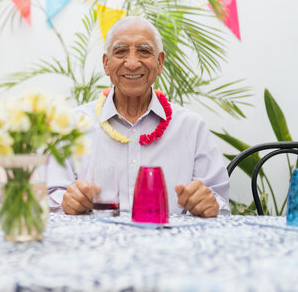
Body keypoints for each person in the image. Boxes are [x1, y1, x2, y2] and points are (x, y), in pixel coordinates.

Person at [47, 16, 230, 217]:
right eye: (121, 51)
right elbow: (50, 198)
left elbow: (220, 203)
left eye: (144, 51)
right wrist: (67, 202)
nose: (132, 63)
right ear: (106, 64)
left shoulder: (191, 126)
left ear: (159, 62)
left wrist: (209, 205)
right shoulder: (73, 124)